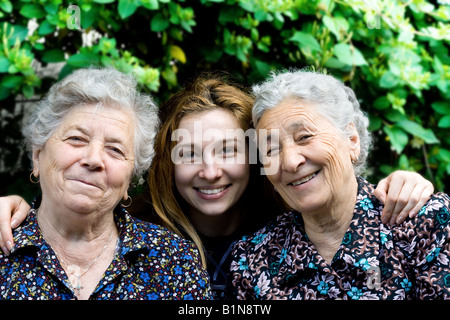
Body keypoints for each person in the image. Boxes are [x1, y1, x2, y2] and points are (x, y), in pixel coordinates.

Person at [0, 73, 435, 300]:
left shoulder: (289, 223)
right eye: (188, 153)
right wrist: (18, 205)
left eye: (228, 149)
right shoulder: (142, 232)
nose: (210, 171)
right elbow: (72, 202)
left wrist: (405, 183)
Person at [230, 69, 450, 300]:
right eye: (271, 149)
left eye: (304, 137)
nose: (290, 162)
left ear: (352, 140)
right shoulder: (253, 260)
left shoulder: (424, 224)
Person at [0, 67, 210, 300]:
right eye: (77, 139)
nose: (93, 159)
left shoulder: (174, 260)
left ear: (131, 178)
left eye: (115, 149)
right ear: (38, 155)